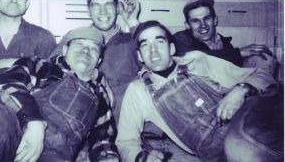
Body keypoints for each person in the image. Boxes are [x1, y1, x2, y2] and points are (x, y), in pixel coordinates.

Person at [116, 20, 283, 162]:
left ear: (172, 48)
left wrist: (241, 89)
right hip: (219, 154)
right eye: (145, 45)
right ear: (139, 56)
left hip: (251, 120)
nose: (153, 51)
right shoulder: (138, 91)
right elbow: (125, 140)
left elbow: (264, 78)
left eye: (159, 42)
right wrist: (140, 157)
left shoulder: (197, 60)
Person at [0, 27, 120, 162]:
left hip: (55, 155)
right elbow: (6, 82)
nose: (85, 51)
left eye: (93, 48)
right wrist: (33, 122)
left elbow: (103, 141)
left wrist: (108, 157)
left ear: (99, 60)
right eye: (79, 44)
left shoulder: (100, 97)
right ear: (65, 50)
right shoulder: (42, 67)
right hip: (13, 135)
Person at [50, 0, 140, 121]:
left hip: (123, 124)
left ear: (117, 8)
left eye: (108, 5)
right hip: (78, 121)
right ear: (88, 10)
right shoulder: (74, 38)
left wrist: (132, 22)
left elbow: (157, 66)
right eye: (96, 5)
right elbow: (50, 70)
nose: (103, 12)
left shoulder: (131, 41)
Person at [173, 0, 276, 74]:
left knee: (264, 58)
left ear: (215, 20)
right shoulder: (180, 38)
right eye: (196, 21)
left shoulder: (223, 42)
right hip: (199, 93)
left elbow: (232, 69)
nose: (203, 25)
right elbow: (190, 60)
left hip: (227, 88)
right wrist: (238, 53)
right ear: (187, 25)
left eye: (207, 18)